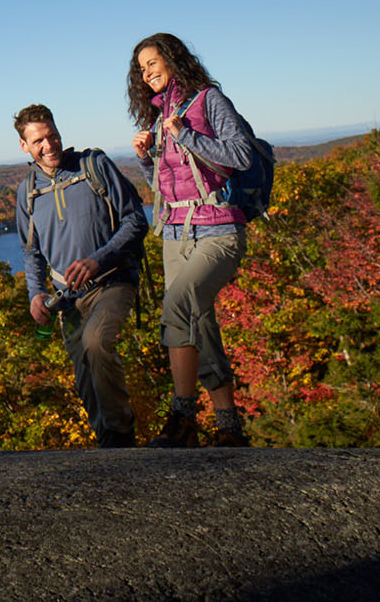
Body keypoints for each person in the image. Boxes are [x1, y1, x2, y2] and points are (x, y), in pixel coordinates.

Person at [128, 33, 253, 448]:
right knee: (199, 321)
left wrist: (185, 135)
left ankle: (182, 418)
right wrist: (147, 159)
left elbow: (241, 156)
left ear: (173, 58)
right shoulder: (159, 115)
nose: (146, 74)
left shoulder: (207, 101)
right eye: (141, 69)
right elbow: (163, 189)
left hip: (219, 229)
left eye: (152, 63)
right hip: (175, 233)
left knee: (177, 306)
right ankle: (229, 427)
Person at [14, 103, 148, 448]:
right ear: (25, 146)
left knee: (96, 342)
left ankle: (120, 439)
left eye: (53, 135)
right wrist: (35, 293)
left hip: (112, 281)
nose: (50, 145)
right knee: (85, 376)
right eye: (39, 140)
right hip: (67, 299)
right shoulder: (28, 192)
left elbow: (136, 221)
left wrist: (96, 260)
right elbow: (32, 253)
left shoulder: (94, 167)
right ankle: (107, 445)